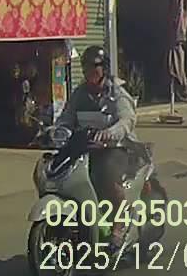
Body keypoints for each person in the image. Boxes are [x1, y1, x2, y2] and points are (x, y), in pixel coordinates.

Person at [55, 45, 138, 251]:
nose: (90, 71)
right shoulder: (80, 93)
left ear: (105, 68)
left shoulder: (117, 92)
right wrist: (58, 130)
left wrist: (111, 132)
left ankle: (119, 227)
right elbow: (67, 117)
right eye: (86, 67)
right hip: (87, 147)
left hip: (117, 148)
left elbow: (127, 119)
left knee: (107, 175)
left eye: (95, 66)